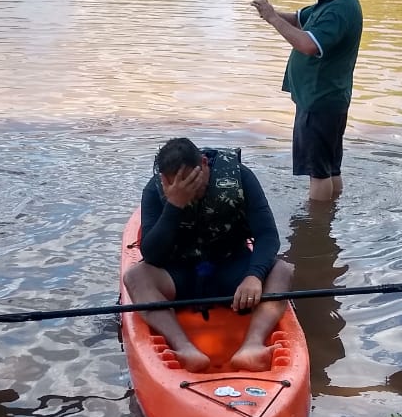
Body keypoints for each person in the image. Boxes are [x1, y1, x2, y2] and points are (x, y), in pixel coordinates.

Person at [123, 137, 293, 372]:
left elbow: (268, 235)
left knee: (282, 270)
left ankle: (252, 346)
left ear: (203, 163)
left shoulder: (241, 177)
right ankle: (184, 348)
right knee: (135, 276)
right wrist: (174, 205)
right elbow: (152, 255)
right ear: (164, 180)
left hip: (231, 268)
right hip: (181, 273)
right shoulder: (154, 190)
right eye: (177, 185)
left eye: (193, 182)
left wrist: (254, 275)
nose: (189, 192)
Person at [251, 0, 363, 202]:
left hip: (319, 101)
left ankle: (316, 222)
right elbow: (299, 19)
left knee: (319, 173)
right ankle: (332, 215)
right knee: (330, 167)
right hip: (326, 100)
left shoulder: (339, 10)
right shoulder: (332, 3)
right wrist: (269, 13)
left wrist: (272, 18)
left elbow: (309, 45)